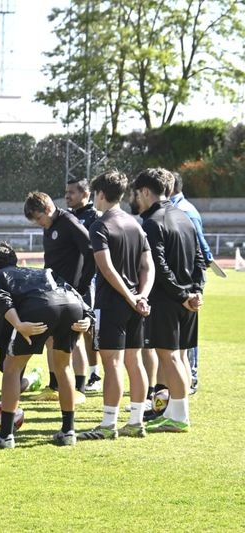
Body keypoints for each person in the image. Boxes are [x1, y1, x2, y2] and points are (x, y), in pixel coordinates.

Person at [0, 243, 92, 448]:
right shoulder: (43, 271)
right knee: (63, 366)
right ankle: (68, 431)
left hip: (40, 308)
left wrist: (19, 324)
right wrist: (88, 317)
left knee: (12, 368)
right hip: (71, 307)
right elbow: (71, 292)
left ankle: (5, 436)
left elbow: (2, 299)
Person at [79, 170, 154, 440]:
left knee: (112, 364)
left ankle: (108, 425)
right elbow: (148, 266)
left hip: (112, 304)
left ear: (99, 194)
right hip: (135, 304)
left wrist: (129, 296)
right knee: (135, 362)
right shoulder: (136, 224)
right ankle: (136, 421)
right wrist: (141, 295)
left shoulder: (99, 225)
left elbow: (106, 268)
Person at [132, 168, 205, 433]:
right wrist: (193, 292)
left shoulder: (153, 222)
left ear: (146, 192)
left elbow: (158, 267)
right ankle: (174, 413)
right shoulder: (184, 216)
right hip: (186, 300)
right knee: (180, 357)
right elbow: (199, 260)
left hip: (167, 300)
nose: (136, 199)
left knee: (169, 357)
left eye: (137, 193)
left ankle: (178, 417)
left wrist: (182, 295)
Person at [23, 191, 94, 401]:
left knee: (75, 338)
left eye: (39, 218)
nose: (39, 223)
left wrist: (82, 285)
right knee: (51, 338)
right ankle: (54, 386)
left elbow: (91, 250)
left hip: (73, 293)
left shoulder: (69, 221)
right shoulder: (50, 226)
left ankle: (78, 388)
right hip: (54, 292)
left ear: (48, 208)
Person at [170, 172, 211, 394]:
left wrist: (198, 285)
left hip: (188, 279)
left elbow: (200, 245)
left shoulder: (185, 211)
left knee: (187, 332)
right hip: (183, 277)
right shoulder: (179, 209)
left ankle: (191, 376)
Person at [65, 177, 102, 391]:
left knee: (89, 328)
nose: (67, 195)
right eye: (66, 192)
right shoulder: (66, 216)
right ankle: (72, 374)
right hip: (69, 279)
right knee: (70, 326)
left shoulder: (94, 218)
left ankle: (94, 375)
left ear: (85, 195)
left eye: (72, 192)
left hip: (89, 280)